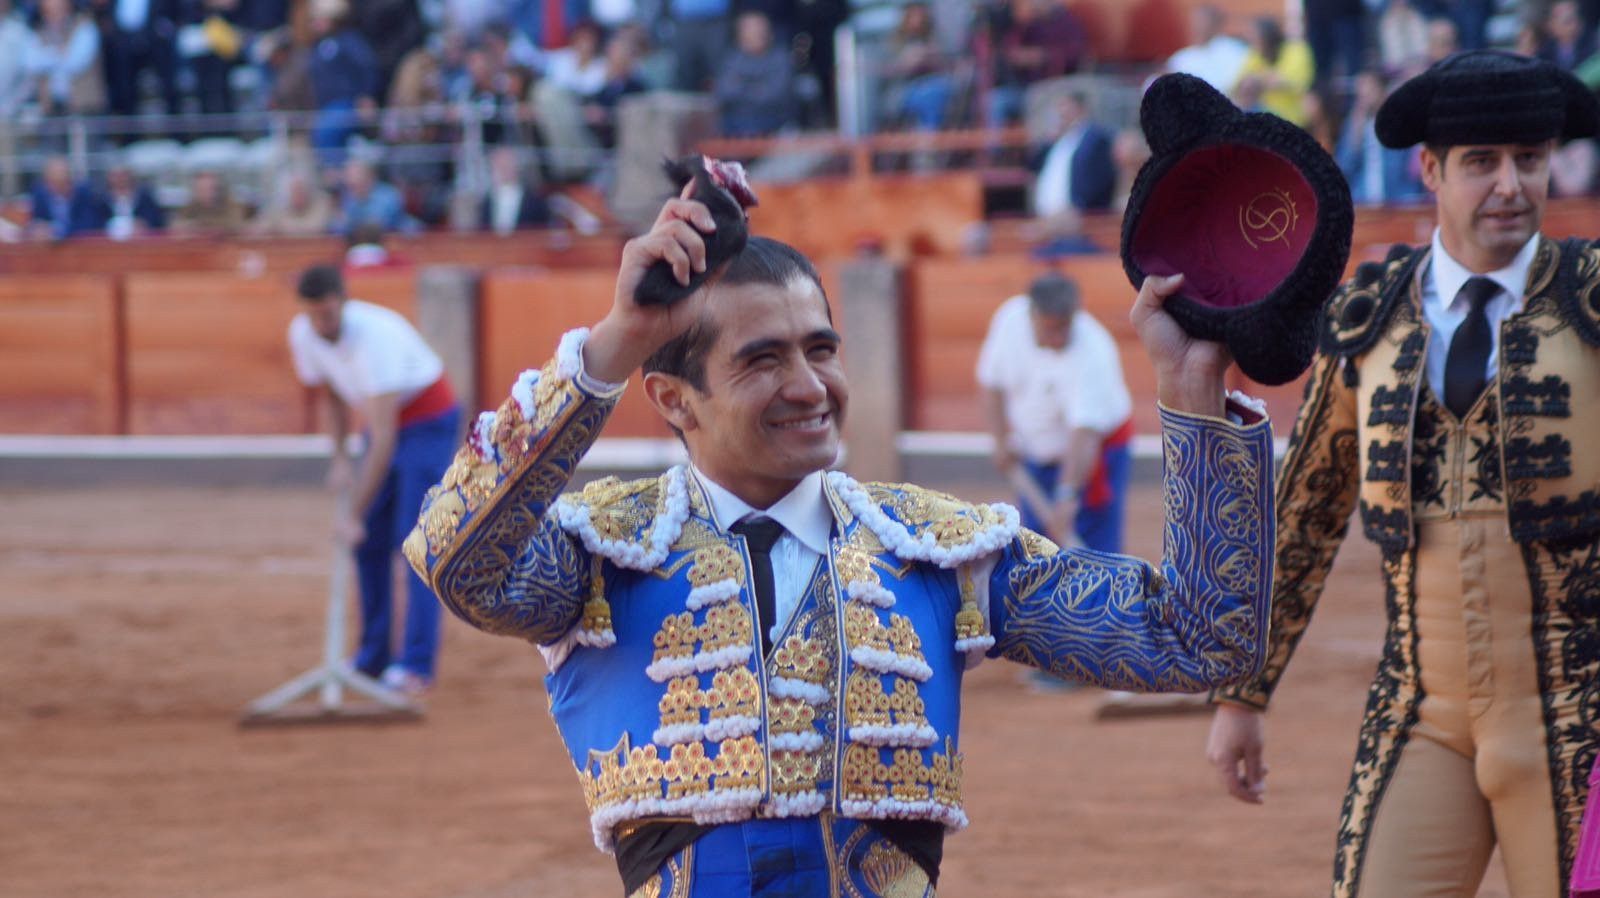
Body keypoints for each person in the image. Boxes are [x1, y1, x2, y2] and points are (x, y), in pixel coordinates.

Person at [403, 180, 1277, 894]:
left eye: (820, 349)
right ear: (672, 398)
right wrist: (615, 341)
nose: (810, 386)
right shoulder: (602, 554)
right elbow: (453, 555)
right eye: (761, 360)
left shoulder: (935, 548)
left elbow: (1198, 641)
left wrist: (1191, 389)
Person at [1205, 50, 1600, 898]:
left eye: (1529, 161)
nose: (1510, 186)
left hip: (1581, 717)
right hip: (1423, 716)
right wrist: (1244, 693)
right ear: (1430, 170)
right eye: (1482, 163)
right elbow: (1304, 515)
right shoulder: (1367, 319)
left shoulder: (1593, 301)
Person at [289, 264, 459, 695]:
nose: (323, 323)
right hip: (382, 421)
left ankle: (416, 664)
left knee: (414, 541)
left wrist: (355, 513)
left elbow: (384, 436)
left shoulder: (376, 337)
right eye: (315, 315)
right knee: (368, 544)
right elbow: (331, 393)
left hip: (427, 420)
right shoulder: (303, 334)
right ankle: (372, 657)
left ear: (343, 302)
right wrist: (341, 456)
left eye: (329, 313)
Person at [976, 273, 1131, 555]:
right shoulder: (1010, 319)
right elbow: (993, 384)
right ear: (1032, 316)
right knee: (1034, 544)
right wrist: (1000, 440)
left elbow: (1084, 434)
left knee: (1093, 546)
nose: (1058, 337)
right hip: (1033, 455)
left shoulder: (1094, 350)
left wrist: (1067, 496)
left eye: (1064, 327)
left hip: (1094, 456)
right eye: (1050, 328)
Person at [1030, 89, 1115, 219]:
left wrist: (1081, 206)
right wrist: (1048, 140)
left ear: (1080, 107)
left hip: (1078, 217)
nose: (1060, 112)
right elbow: (1033, 165)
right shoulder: (1057, 140)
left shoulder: (1096, 137)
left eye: (1065, 106)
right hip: (1048, 217)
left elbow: (1099, 177)